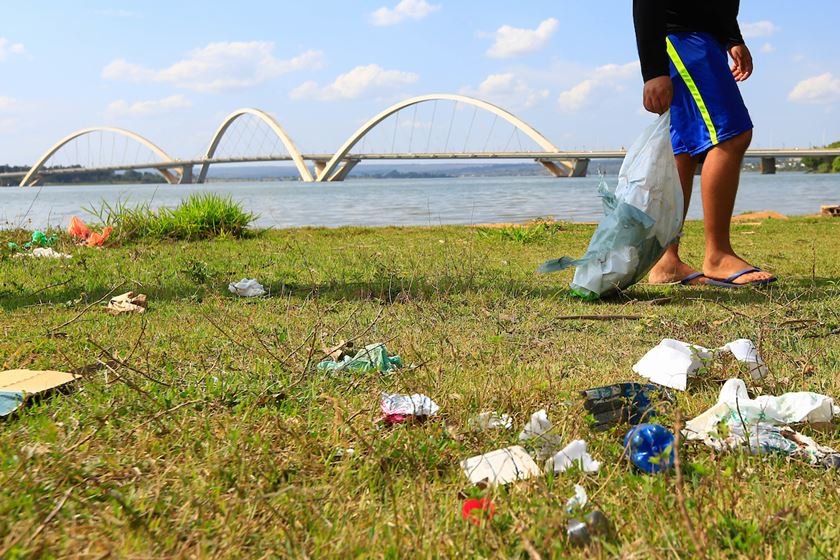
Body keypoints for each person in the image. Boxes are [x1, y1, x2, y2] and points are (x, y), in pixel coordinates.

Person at [633, 0, 776, 287]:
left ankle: (666, 262)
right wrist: (653, 71)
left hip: (702, 40)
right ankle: (718, 255)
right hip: (684, 39)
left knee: (684, 151)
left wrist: (732, 37)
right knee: (733, 133)